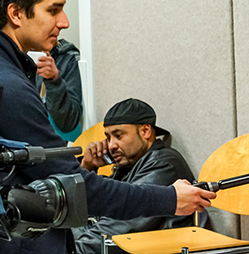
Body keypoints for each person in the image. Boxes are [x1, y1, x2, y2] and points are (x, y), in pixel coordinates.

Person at [0, 0, 215, 253]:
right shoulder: (5, 83)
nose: (65, 21)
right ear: (16, 13)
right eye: (53, 9)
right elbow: (75, 186)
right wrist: (169, 199)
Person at [73, 98, 202, 253]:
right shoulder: (129, 166)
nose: (111, 145)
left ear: (145, 131)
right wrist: (88, 167)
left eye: (118, 136)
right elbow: (91, 207)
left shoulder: (163, 164)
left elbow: (111, 233)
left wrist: (69, 249)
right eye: (108, 138)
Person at [36, 38, 83, 140]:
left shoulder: (69, 59)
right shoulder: (18, 56)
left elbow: (69, 123)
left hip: (59, 144)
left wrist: (54, 80)